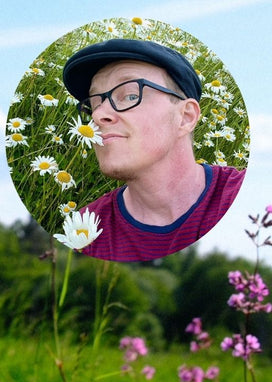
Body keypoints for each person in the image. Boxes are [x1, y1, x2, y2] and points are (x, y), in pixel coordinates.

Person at [61, 38, 245, 262]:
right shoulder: (84, 231)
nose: (98, 116)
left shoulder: (244, 201)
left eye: (130, 95)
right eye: (94, 103)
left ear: (185, 117)